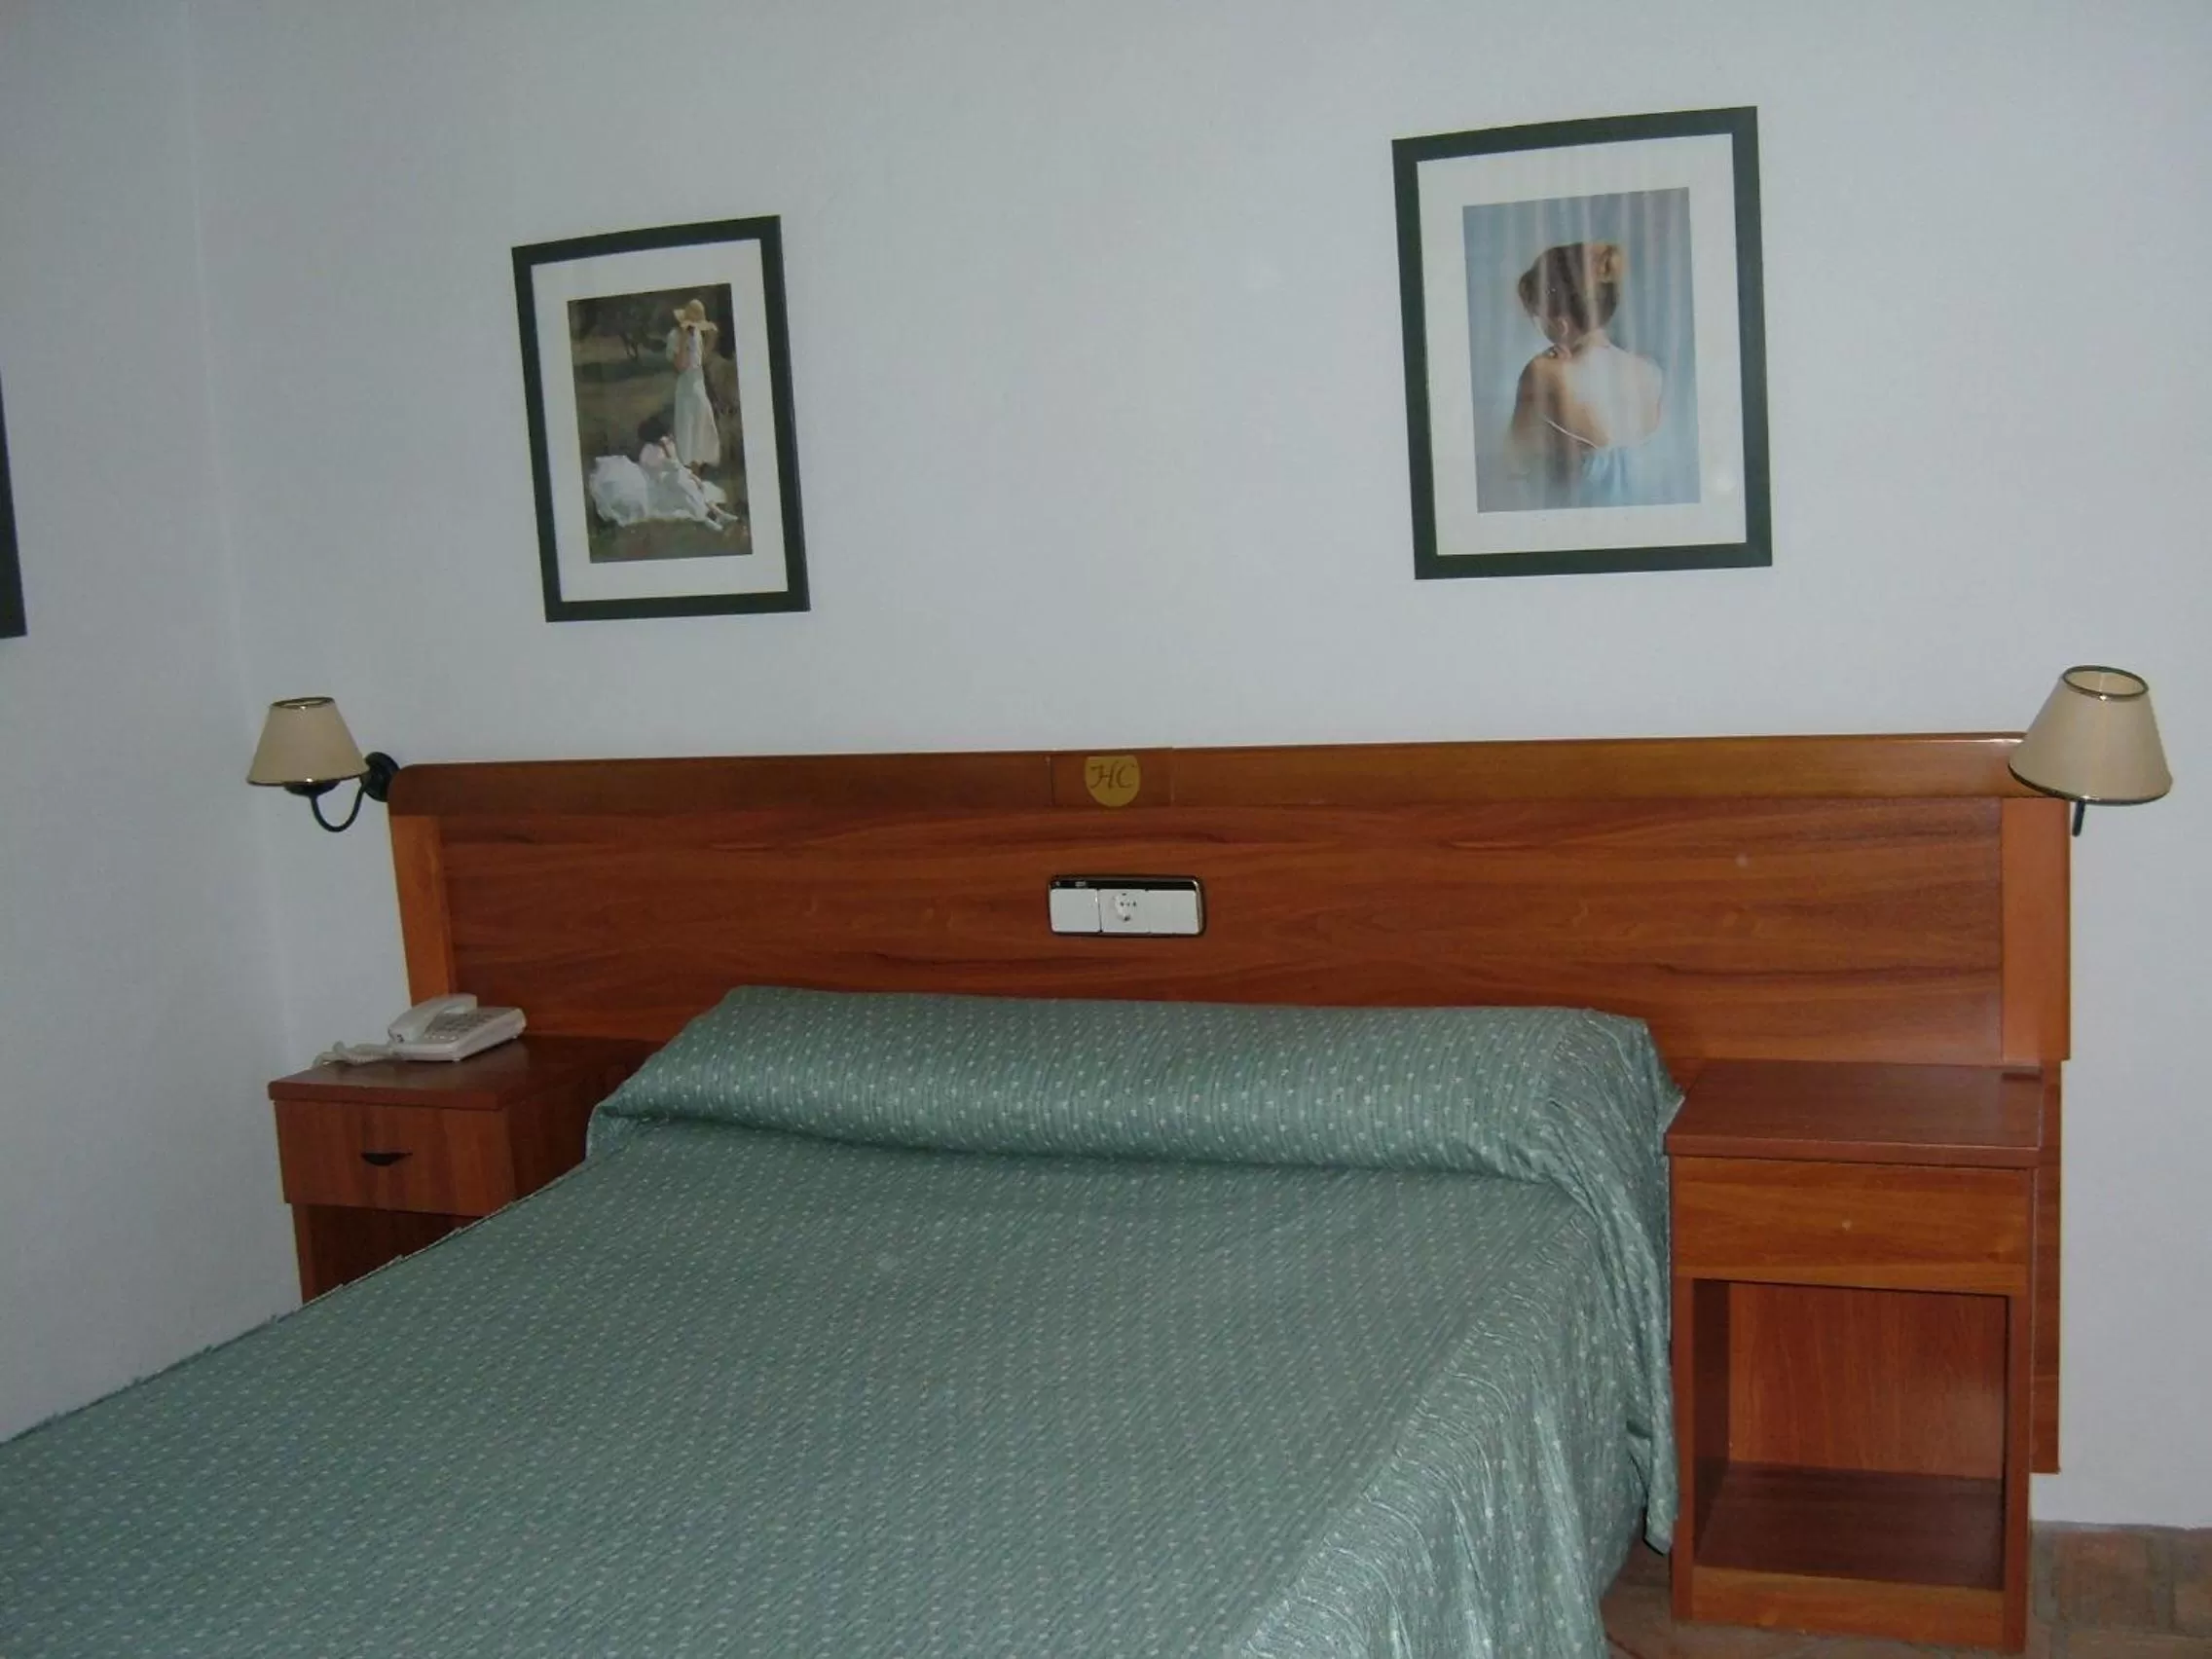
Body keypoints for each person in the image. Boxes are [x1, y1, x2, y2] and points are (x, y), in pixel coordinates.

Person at [1505, 241, 1664, 507]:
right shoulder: (1650, 370)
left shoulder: (1545, 371)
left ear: (1561, 325)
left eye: (1538, 318)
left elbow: (1514, 456)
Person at [586, 417, 737, 532]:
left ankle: (718, 513)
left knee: (693, 485)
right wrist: (674, 467)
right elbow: (658, 472)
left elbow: (676, 465)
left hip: (674, 477)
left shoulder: (668, 445)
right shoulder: (649, 451)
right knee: (684, 490)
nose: (667, 441)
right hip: (658, 485)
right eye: (663, 440)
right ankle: (705, 519)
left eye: (667, 439)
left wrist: (688, 474)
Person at [666, 299, 722, 471]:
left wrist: (711, 340)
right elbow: (681, 366)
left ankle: (697, 472)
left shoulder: (696, 334)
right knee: (688, 431)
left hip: (699, 386)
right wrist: (683, 340)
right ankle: (690, 474)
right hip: (686, 389)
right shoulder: (674, 336)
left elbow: (700, 361)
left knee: (702, 428)